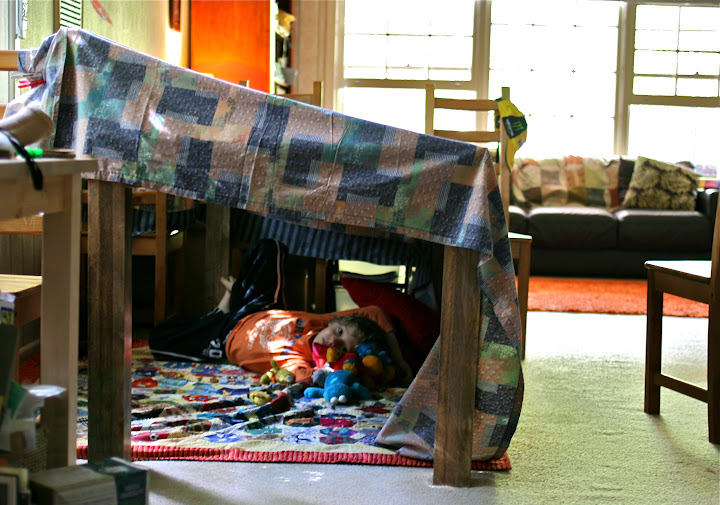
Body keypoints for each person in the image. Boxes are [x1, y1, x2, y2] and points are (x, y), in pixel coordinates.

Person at [149, 239, 413, 385]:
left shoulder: (302, 360)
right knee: (270, 247)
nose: (335, 341)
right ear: (336, 321)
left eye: (342, 347)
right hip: (261, 308)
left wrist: (333, 375)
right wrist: (400, 361)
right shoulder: (324, 323)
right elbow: (376, 312)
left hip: (224, 337)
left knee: (158, 339)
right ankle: (236, 297)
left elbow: (303, 378)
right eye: (340, 332)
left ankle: (222, 308)